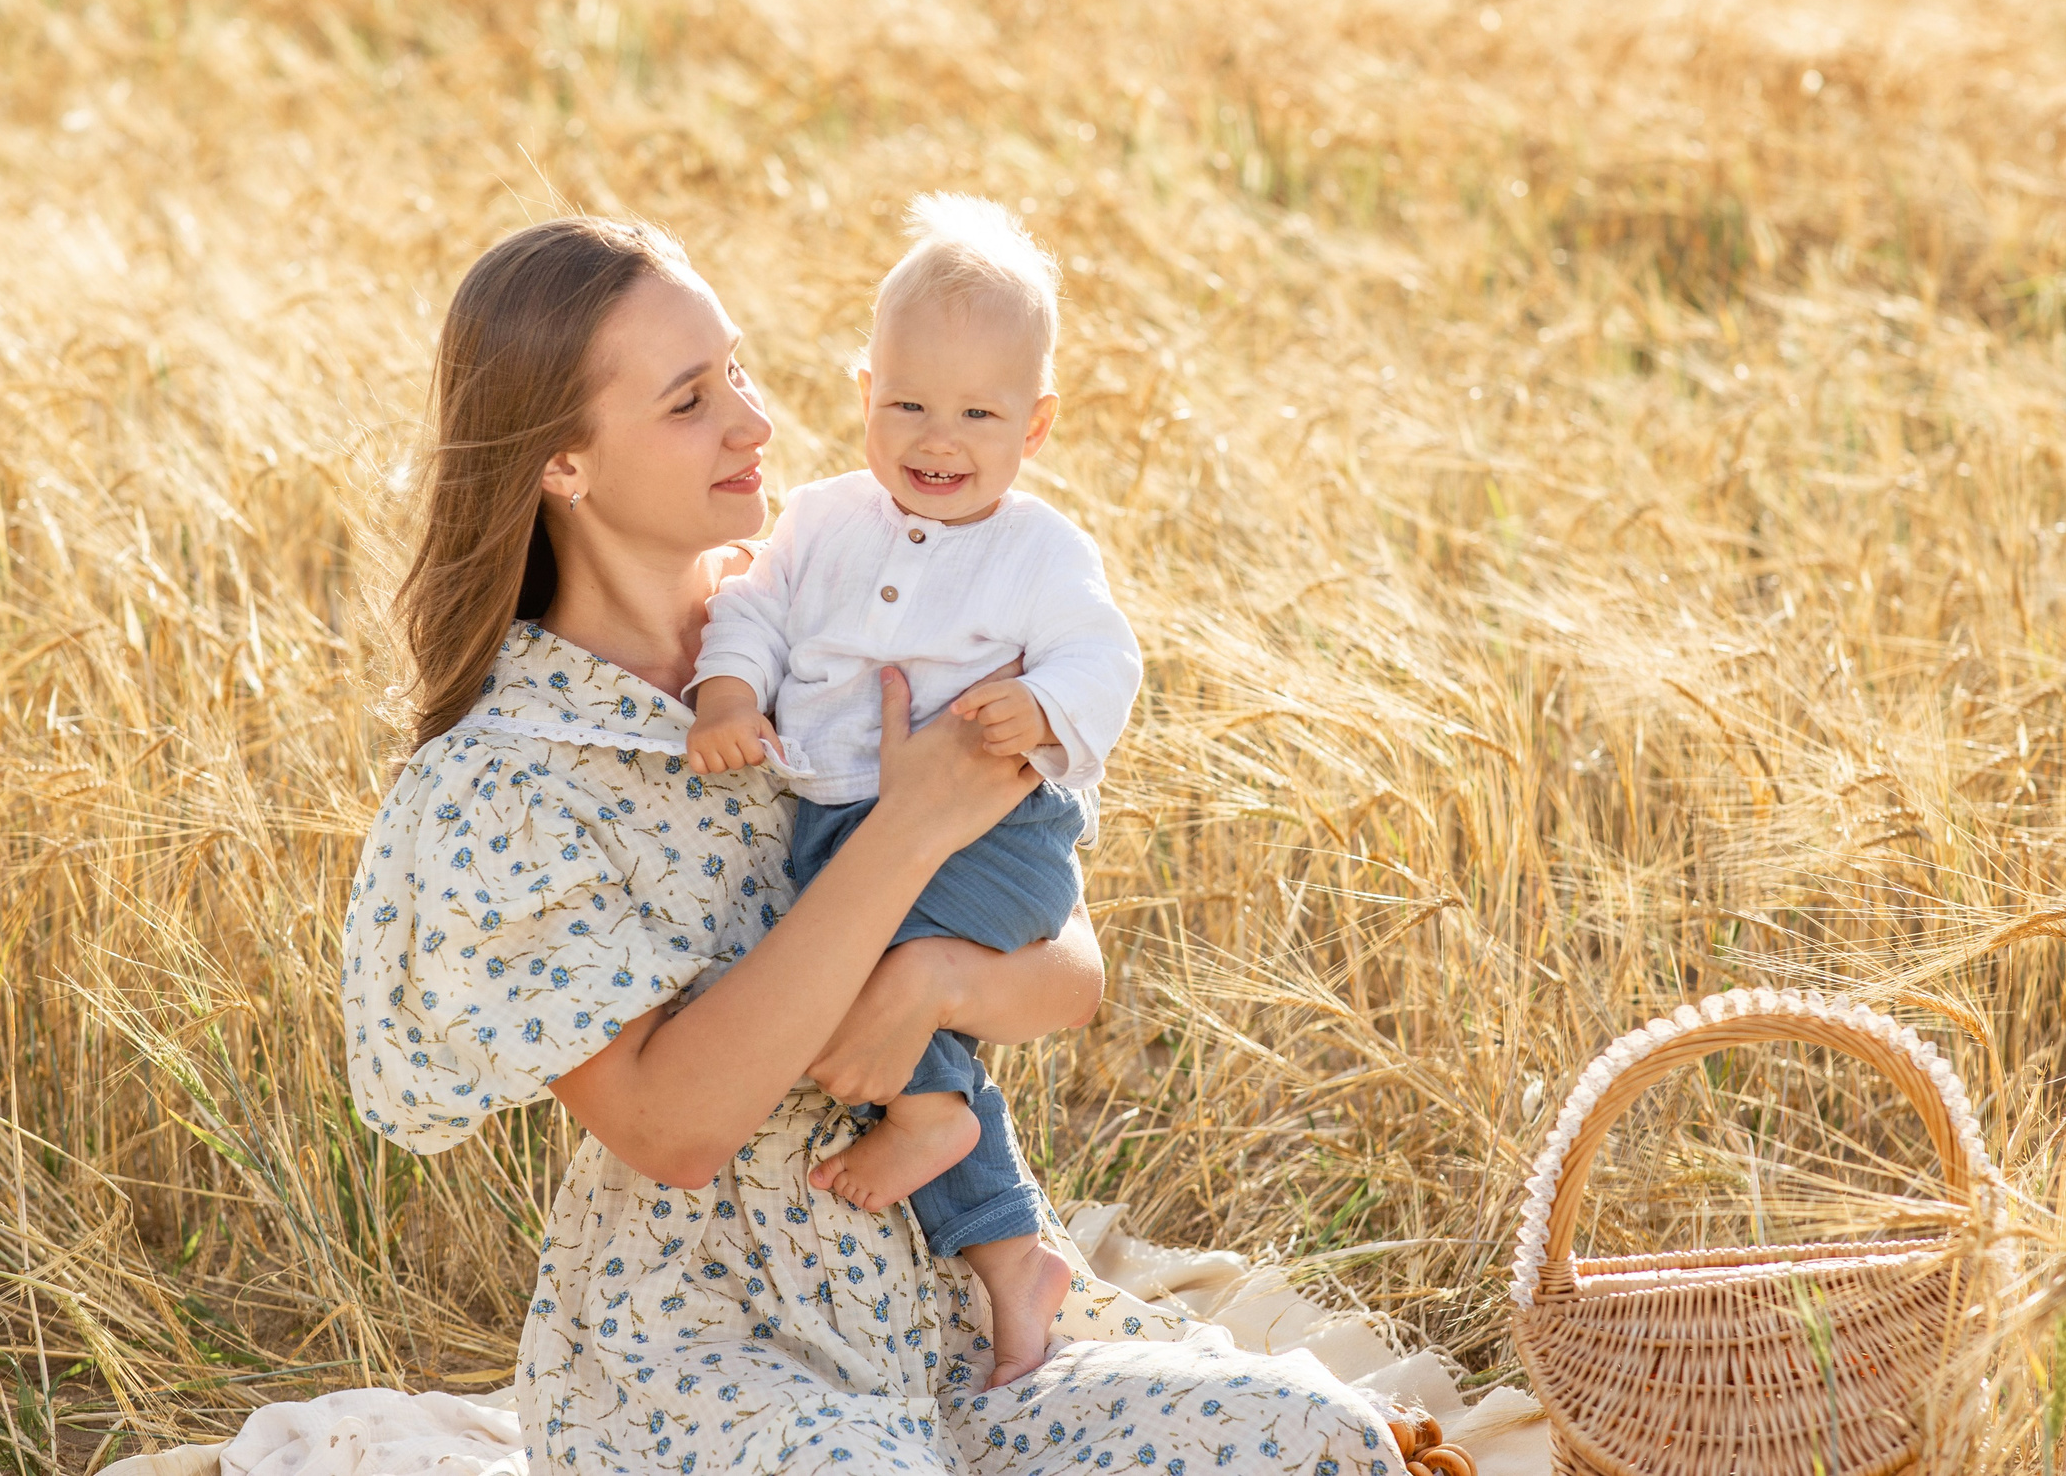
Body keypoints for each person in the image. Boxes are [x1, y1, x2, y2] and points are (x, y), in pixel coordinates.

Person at [342, 213, 1450, 1476]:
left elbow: (1067, 974)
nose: (755, 422)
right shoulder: (509, 777)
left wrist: (928, 980)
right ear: (563, 464)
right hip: (705, 1349)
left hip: (941, 1302)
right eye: (691, 401)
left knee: (1315, 1441)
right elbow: (671, 1127)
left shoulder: (849, 605)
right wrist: (910, 824)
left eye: (738, 370)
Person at [683, 193, 1140, 1385]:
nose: (939, 439)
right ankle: (1010, 1261)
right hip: (841, 820)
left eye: (978, 413)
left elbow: (1104, 658)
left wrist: (1044, 708)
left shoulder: (1041, 551)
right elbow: (753, 609)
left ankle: (935, 1122)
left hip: (999, 832)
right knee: (856, 982)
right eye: (907, 404)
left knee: (871, 974)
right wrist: (729, 695)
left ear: (1036, 423)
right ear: (863, 391)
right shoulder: (821, 520)